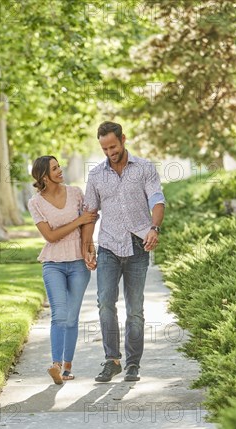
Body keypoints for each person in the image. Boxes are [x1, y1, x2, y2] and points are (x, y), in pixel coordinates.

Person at [81, 121, 166, 383]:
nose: (109, 152)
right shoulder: (96, 176)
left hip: (138, 244)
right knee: (105, 302)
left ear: (123, 139)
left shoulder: (144, 168)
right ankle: (112, 360)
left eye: (113, 146)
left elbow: (157, 200)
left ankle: (132, 364)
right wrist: (88, 246)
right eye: (105, 148)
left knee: (135, 308)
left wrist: (154, 228)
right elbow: (90, 214)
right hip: (108, 244)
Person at [28, 156, 97, 385]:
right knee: (59, 314)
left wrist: (89, 248)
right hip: (53, 264)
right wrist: (78, 221)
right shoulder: (35, 203)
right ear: (44, 177)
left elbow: (90, 219)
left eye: (59, 166)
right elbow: (50, 236)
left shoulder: (76, 193)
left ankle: (67, 367)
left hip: (78, 263)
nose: (60, 170)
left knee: (72, 317)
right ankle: (56, 365)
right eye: (55, 168)